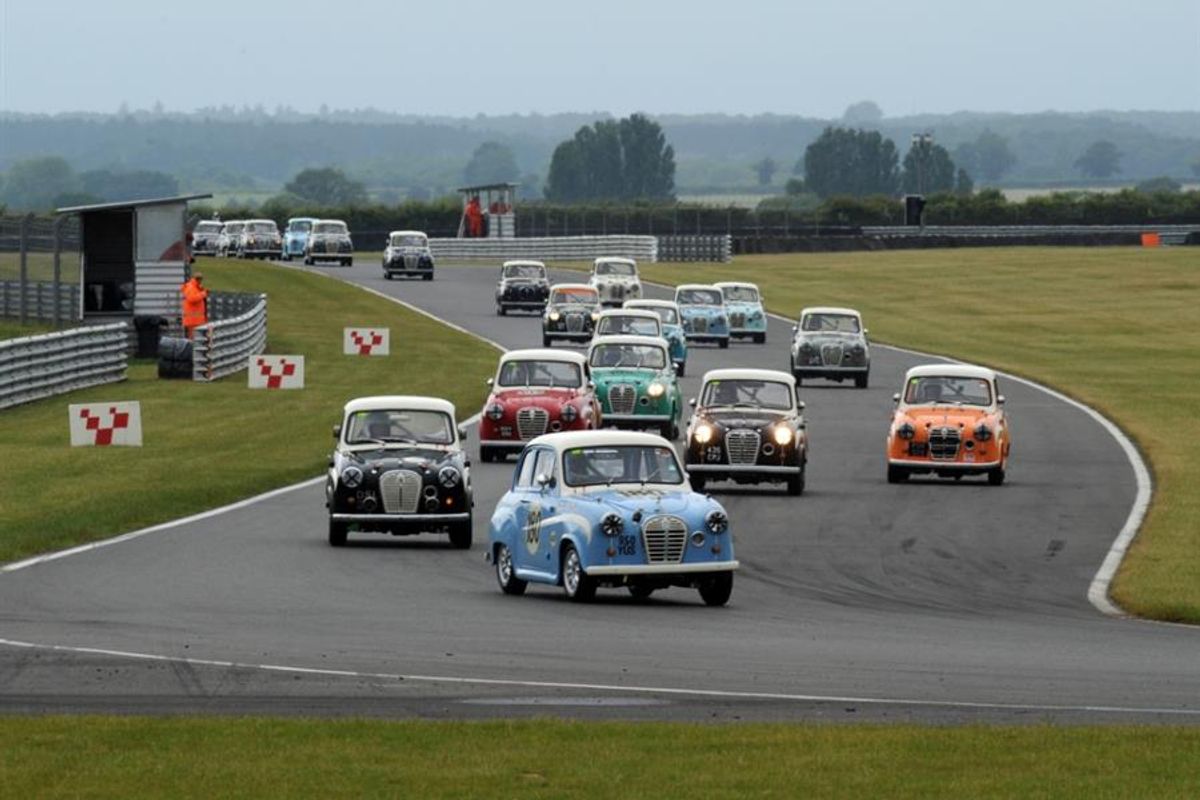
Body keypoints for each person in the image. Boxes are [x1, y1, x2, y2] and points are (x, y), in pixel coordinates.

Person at [180, 272, 209, 339]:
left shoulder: (195, 287)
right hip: (192, 320)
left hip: (195, 320)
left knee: (195, 339)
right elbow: (192, 298)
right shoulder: (191, 287)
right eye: (200, 279)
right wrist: (203, 294)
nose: (201, 281)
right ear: (198, 279)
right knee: (192, 339)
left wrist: (202, 291)